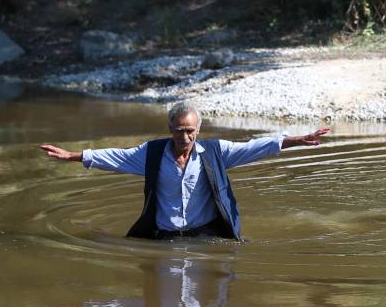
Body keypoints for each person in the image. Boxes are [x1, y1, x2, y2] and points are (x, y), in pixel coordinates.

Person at [39, 101, 329, 240]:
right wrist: (74, 156)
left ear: (198, 129)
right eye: (179, 131)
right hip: (164, 237)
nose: (185, 137)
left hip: (204, 236)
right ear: (170, 129)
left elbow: (253, 147)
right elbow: (116, 156)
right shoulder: (151, 154)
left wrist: (296, 140)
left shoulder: (215, 152)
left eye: (190, 131)